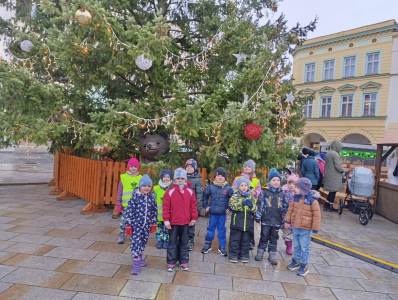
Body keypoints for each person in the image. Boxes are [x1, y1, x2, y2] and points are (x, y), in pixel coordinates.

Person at [163, 168, 198, 272]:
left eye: (182, 178)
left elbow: (193, 206)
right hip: (173, 222)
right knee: (172, 242)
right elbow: (166, 207)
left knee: (184, 242)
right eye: (178, 178)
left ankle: (184, 260)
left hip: (186, 222)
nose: (180, 180)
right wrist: (166, 220)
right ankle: (171, 262)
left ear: (186, 179)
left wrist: (194, 218)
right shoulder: (170, 192)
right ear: (174, 179)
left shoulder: (190, 192)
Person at [284, 178, 321, 276]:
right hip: (296, 226)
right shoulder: (295, 197)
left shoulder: (312, 200)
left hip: (305, 228)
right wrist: (287, 221)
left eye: (297, 187)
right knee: (296, 245)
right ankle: (296, 261)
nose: (294, 189)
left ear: (303, 188)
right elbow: (290, 210)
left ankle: (304, 265)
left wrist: (315, 228)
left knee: (304, 247)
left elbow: (317, 215)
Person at [124, 174, 157, 275]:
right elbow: (129, 212)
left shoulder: (151, 199)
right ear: (140, 187)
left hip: (146, 226)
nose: (146, 188)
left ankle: (140, 258)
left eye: (148, 186)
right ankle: (136, 264)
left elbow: (154, 211)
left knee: (143, 242)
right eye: (144, 186)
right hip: (136, 226)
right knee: (136, 244)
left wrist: (154, 223)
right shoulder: (135, 198)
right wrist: (128, 225)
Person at [254, 168, 289, 264]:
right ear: (270, 181)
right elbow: (260, 205)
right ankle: (260, 252)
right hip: (266, 219)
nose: (276, 182)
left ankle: (272, 254)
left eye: (278, 180)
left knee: (274, 237)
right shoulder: (264, 192)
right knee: (264, 236)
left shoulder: (282, 194)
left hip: (277, 221)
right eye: (274, 180)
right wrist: (258, 217)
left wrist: (285, 220)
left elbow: (285, 208)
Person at [201, 167, 234, 256]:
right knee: (210, 228)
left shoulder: (228, 188)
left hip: (222, 214)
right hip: (212, 213)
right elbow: (204, 196)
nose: (220, 178)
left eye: (222, 176)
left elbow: (234, 199)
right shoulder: (211, 187)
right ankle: (208, 245)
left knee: (221, 229)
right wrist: (206, 206)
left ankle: (222, 246)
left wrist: (230, 208)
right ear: (215, 177)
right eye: (218, 176)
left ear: (225, 178)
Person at [231, 159, 261, 250]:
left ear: (253, 169)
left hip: (250, 205)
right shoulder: (238, 178)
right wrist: (240, 192)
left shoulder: (256, 179)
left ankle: (250, 242)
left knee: (250, 225)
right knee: (239, 224)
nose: (247, 168)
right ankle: (239, 241)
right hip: (240, 204)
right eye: (245, 166)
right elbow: (233, 188)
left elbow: (259, 190)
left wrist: (255, 192)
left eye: (249, 167)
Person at [229, 176, 257, 263]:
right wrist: (242, 203)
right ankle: (233, 254)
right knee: (235, 239)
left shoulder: (251, 197)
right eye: (241, 185)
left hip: (247, 224)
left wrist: (251, 206)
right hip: (237, 223)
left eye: (245, 185)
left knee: (245, 240)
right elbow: (233, 206)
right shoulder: (235, 195)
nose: (244, 187)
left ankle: (244, 254)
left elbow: (255, 208)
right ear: (238, 187)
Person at [116, 158, 143, 244]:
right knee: (124, 220)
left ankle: (133, 235)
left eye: (135, 166)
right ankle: (121, 234)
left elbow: (143, 191)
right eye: (131, 166)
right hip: (126, 204)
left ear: (138, 167)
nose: (133, 168)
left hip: (137, 205)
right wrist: (118, 203)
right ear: (128, 167)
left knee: (135, 220)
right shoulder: (124, 177)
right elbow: (120, 192)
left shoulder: (140, 178)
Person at [185, 159, 204, 251]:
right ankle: (182, 239)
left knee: (190, 225)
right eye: (187, 167)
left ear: (195, 168)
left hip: (191, 207)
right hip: (182, 207)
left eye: (191, 167)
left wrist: (198, 208)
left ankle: (190, 240)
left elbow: (199, 195)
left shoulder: (197, 180)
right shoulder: (182, 177)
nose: (189, 168)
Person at [153, 169, 173, 249]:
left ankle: (166, 240)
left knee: (167, 228)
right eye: (164, 177)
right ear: (161, 178)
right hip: (158, 214)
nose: (166, 178)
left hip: (168, 214)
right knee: (159, 228)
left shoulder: (171, 188)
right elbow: (153, 200)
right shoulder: (156, 188)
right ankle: (160, 240)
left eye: (168, 177)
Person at [323, 140, 345, 212]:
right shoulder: (335, 154)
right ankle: (330, 206)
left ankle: (326, 205)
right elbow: (338, 166)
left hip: (329, 175)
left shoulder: (329, 153)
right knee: (333, 191)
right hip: (334, 176)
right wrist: (343, 171)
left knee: (331, 191)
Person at [281, 173, 299, 255]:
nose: (291, 185)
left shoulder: (299, 194)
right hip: (286, 216)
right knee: (287, 232)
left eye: (293, 184)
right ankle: (288, 246)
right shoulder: (284, 192)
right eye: (289, 183)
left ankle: (298, 248)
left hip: (297, 217)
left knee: (296, 233)